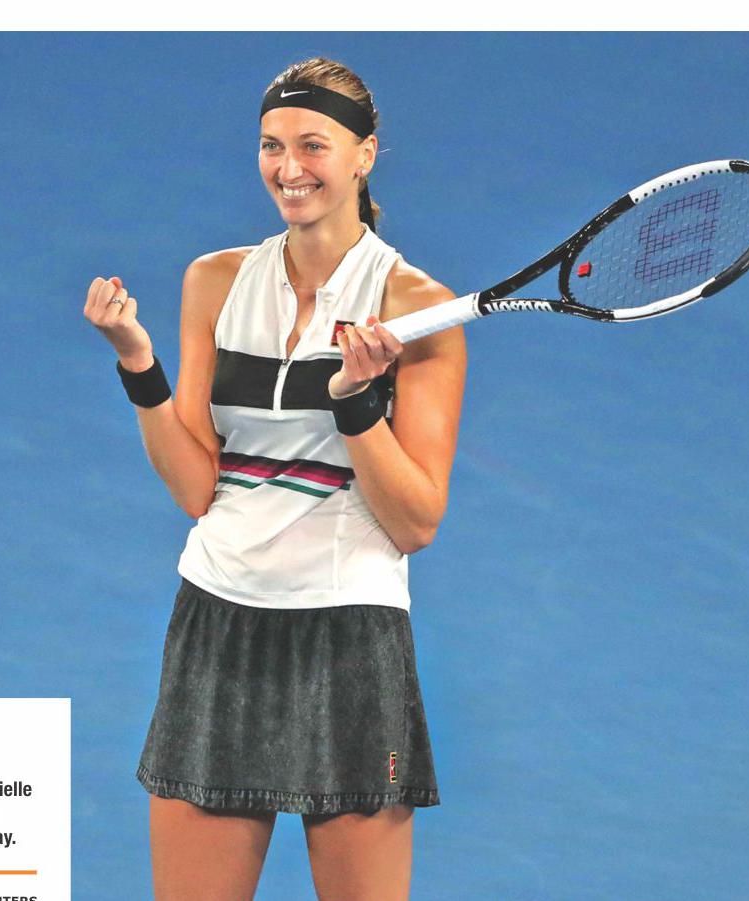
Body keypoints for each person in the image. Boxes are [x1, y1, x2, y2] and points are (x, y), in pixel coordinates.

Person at [84, 56, 466, 901]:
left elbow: (415, 522)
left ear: (364, 154)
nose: (288, 168)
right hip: (217, 622)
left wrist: (354, 405)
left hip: (349, 634)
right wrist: (139, 365)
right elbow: (198, 489)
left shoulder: (417, 308)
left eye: (313, 145)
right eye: (271, 145)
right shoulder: (214, 282)